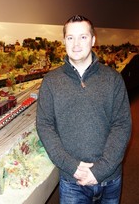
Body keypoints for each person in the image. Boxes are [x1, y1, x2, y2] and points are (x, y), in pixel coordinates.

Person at [36, 15, 132, 203]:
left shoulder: (113, 79)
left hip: (109, 178)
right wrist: (71, 166)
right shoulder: (51, 81)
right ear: (64, 41)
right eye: (70, 37)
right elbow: (44, 125)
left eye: (83, 37)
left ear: (93, 40)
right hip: (72, 181)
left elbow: (122, 125)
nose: (76, 44)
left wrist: (99, 171)